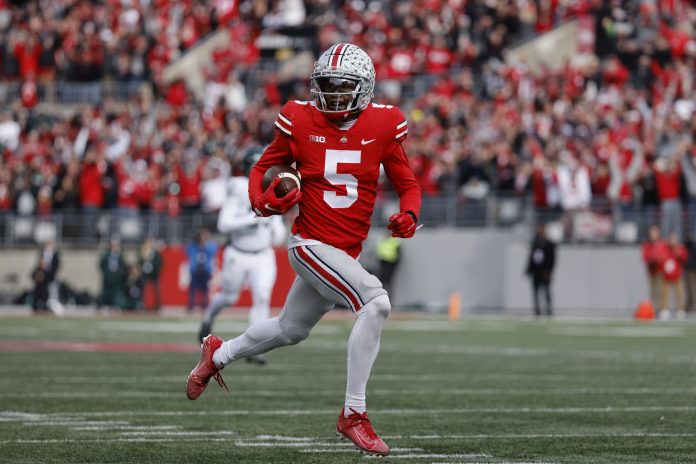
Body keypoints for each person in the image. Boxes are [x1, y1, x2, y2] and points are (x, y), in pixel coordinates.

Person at [186, 43, 421, 457]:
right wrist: (260, 200)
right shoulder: (298, 118)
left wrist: (410, 214)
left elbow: (408, 183)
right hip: (310, 243)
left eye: (340, 86)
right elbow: (263, 166)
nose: (330, 94)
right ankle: (354, 414)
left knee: (289, 329)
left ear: (364, 89)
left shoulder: (385, 125)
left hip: (342, 252)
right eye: (325, 85)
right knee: (376, 302)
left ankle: (216, 354)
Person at [197, 147, 287, 367]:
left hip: (263, 254)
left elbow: (277, 222)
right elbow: (224, 224)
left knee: (262, 297)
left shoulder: (271, 187)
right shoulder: (238, 188)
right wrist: (252, 219)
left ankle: (253, 347)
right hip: (238, 253)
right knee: (229, 297)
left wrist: (277, 230)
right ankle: (208, 318)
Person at [525, 224, 556, 317]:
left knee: (546, 291)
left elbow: (552, 259)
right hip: (536, 271)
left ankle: (548, 308)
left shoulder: (549, 244)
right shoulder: (535, 243)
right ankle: (537, 309)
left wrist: (549, 271)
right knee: (535, 291)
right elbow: (531, 258)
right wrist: (529, 269)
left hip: (544, 271)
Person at [186, 228, 218, 313]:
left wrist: (205, 243)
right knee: (192, 289)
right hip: (195, 270)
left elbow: (212, 251)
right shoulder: (194, 245)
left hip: (205, 270)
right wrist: (195, 242)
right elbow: (188, 251)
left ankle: (204, 306)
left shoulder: (210, 244)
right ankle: (191, 306)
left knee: (205, 289)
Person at [659, 233, 688, 321]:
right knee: (665, 293)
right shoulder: (664, 248)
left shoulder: (679, 248)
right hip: (666, 275)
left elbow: (684, 257)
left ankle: (680, 309)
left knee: (679, 293)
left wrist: (678, 253)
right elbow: (660, 259)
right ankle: (664, 309)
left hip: (677, 274)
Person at [641, 224, 667, 311]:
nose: (653, 234)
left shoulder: (662, 243)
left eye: (655, 232)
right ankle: (653, 309)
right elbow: (645, 257)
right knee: (653, 291)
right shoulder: (647, 244)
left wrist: (659, 259)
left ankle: (662, 309)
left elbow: (664, 256)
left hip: (660, 270)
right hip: (651, 271)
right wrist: (651, 259)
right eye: (652, 232)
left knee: (661, 291)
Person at [98, 237, 128, 311]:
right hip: (108, 277)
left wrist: (120, 274)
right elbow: (102, 264)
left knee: (116, 293)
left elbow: (123, 266)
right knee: (106, 292)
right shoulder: (106, 255)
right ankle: (103, 305)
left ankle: (116, 305)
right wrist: (106, 273)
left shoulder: (120, 255)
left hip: (117, 278)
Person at [139, 238, 162, 311]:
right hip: (145, 274)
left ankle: (157, 304)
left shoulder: (155, 253)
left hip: (154, 274)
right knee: (144, 289)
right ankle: (143, 304)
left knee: (156, 290)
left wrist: (155, 268)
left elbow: (160, 262)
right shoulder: (143, 252)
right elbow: (140, 262)